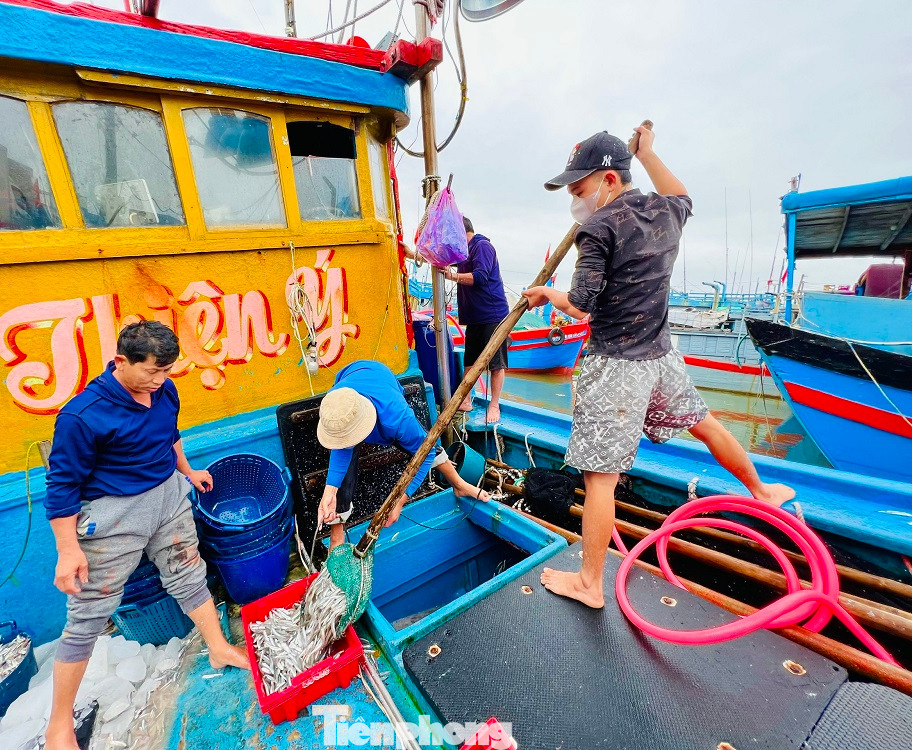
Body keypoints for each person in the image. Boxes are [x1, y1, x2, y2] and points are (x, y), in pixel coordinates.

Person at [522, 127, 795, 610]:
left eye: (579, 189)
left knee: (599, 478)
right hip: (660, 355)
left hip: (614, 366)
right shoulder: (667, 212)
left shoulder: (598, 228)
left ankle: (589, 583)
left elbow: (582, 305)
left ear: (608, 179)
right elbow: (682, 192)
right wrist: (649, 155)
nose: (575, 200)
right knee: (705, 423)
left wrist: (547, 294)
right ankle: (762, 491)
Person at [43, 321, 249, 750]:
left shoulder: (164, 391)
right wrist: (68, 549)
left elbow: (170, 436)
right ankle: (58, 725)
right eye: (152, 372)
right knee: (88, 614)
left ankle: (217, 647)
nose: (159, 382)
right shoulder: (82, 416)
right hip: (114, 515)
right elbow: (61, 488)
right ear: (121, 362)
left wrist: (188, 472)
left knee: (189, 573)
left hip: (168, 499)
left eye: (167, 372)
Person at [316, 359, 490, 550]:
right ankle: (336, 535)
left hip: (381, 378)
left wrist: (400, 500)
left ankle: (459, 485)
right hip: (349, 374)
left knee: (424, 444)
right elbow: (340, 451)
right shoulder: (336, 405)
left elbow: (426, 453)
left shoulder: (397, 418)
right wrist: (329, 491)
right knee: (344, 464)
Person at [443, 217, 510, 422]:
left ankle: (494, 404)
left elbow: (480, 277)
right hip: (474, 317)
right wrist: (413, 254)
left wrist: (452, 276)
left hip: (493, 314)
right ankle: (465, 400)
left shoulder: (482, 246)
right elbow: (441, 259)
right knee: (470, 362)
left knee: (496, 364)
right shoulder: (463, 252)